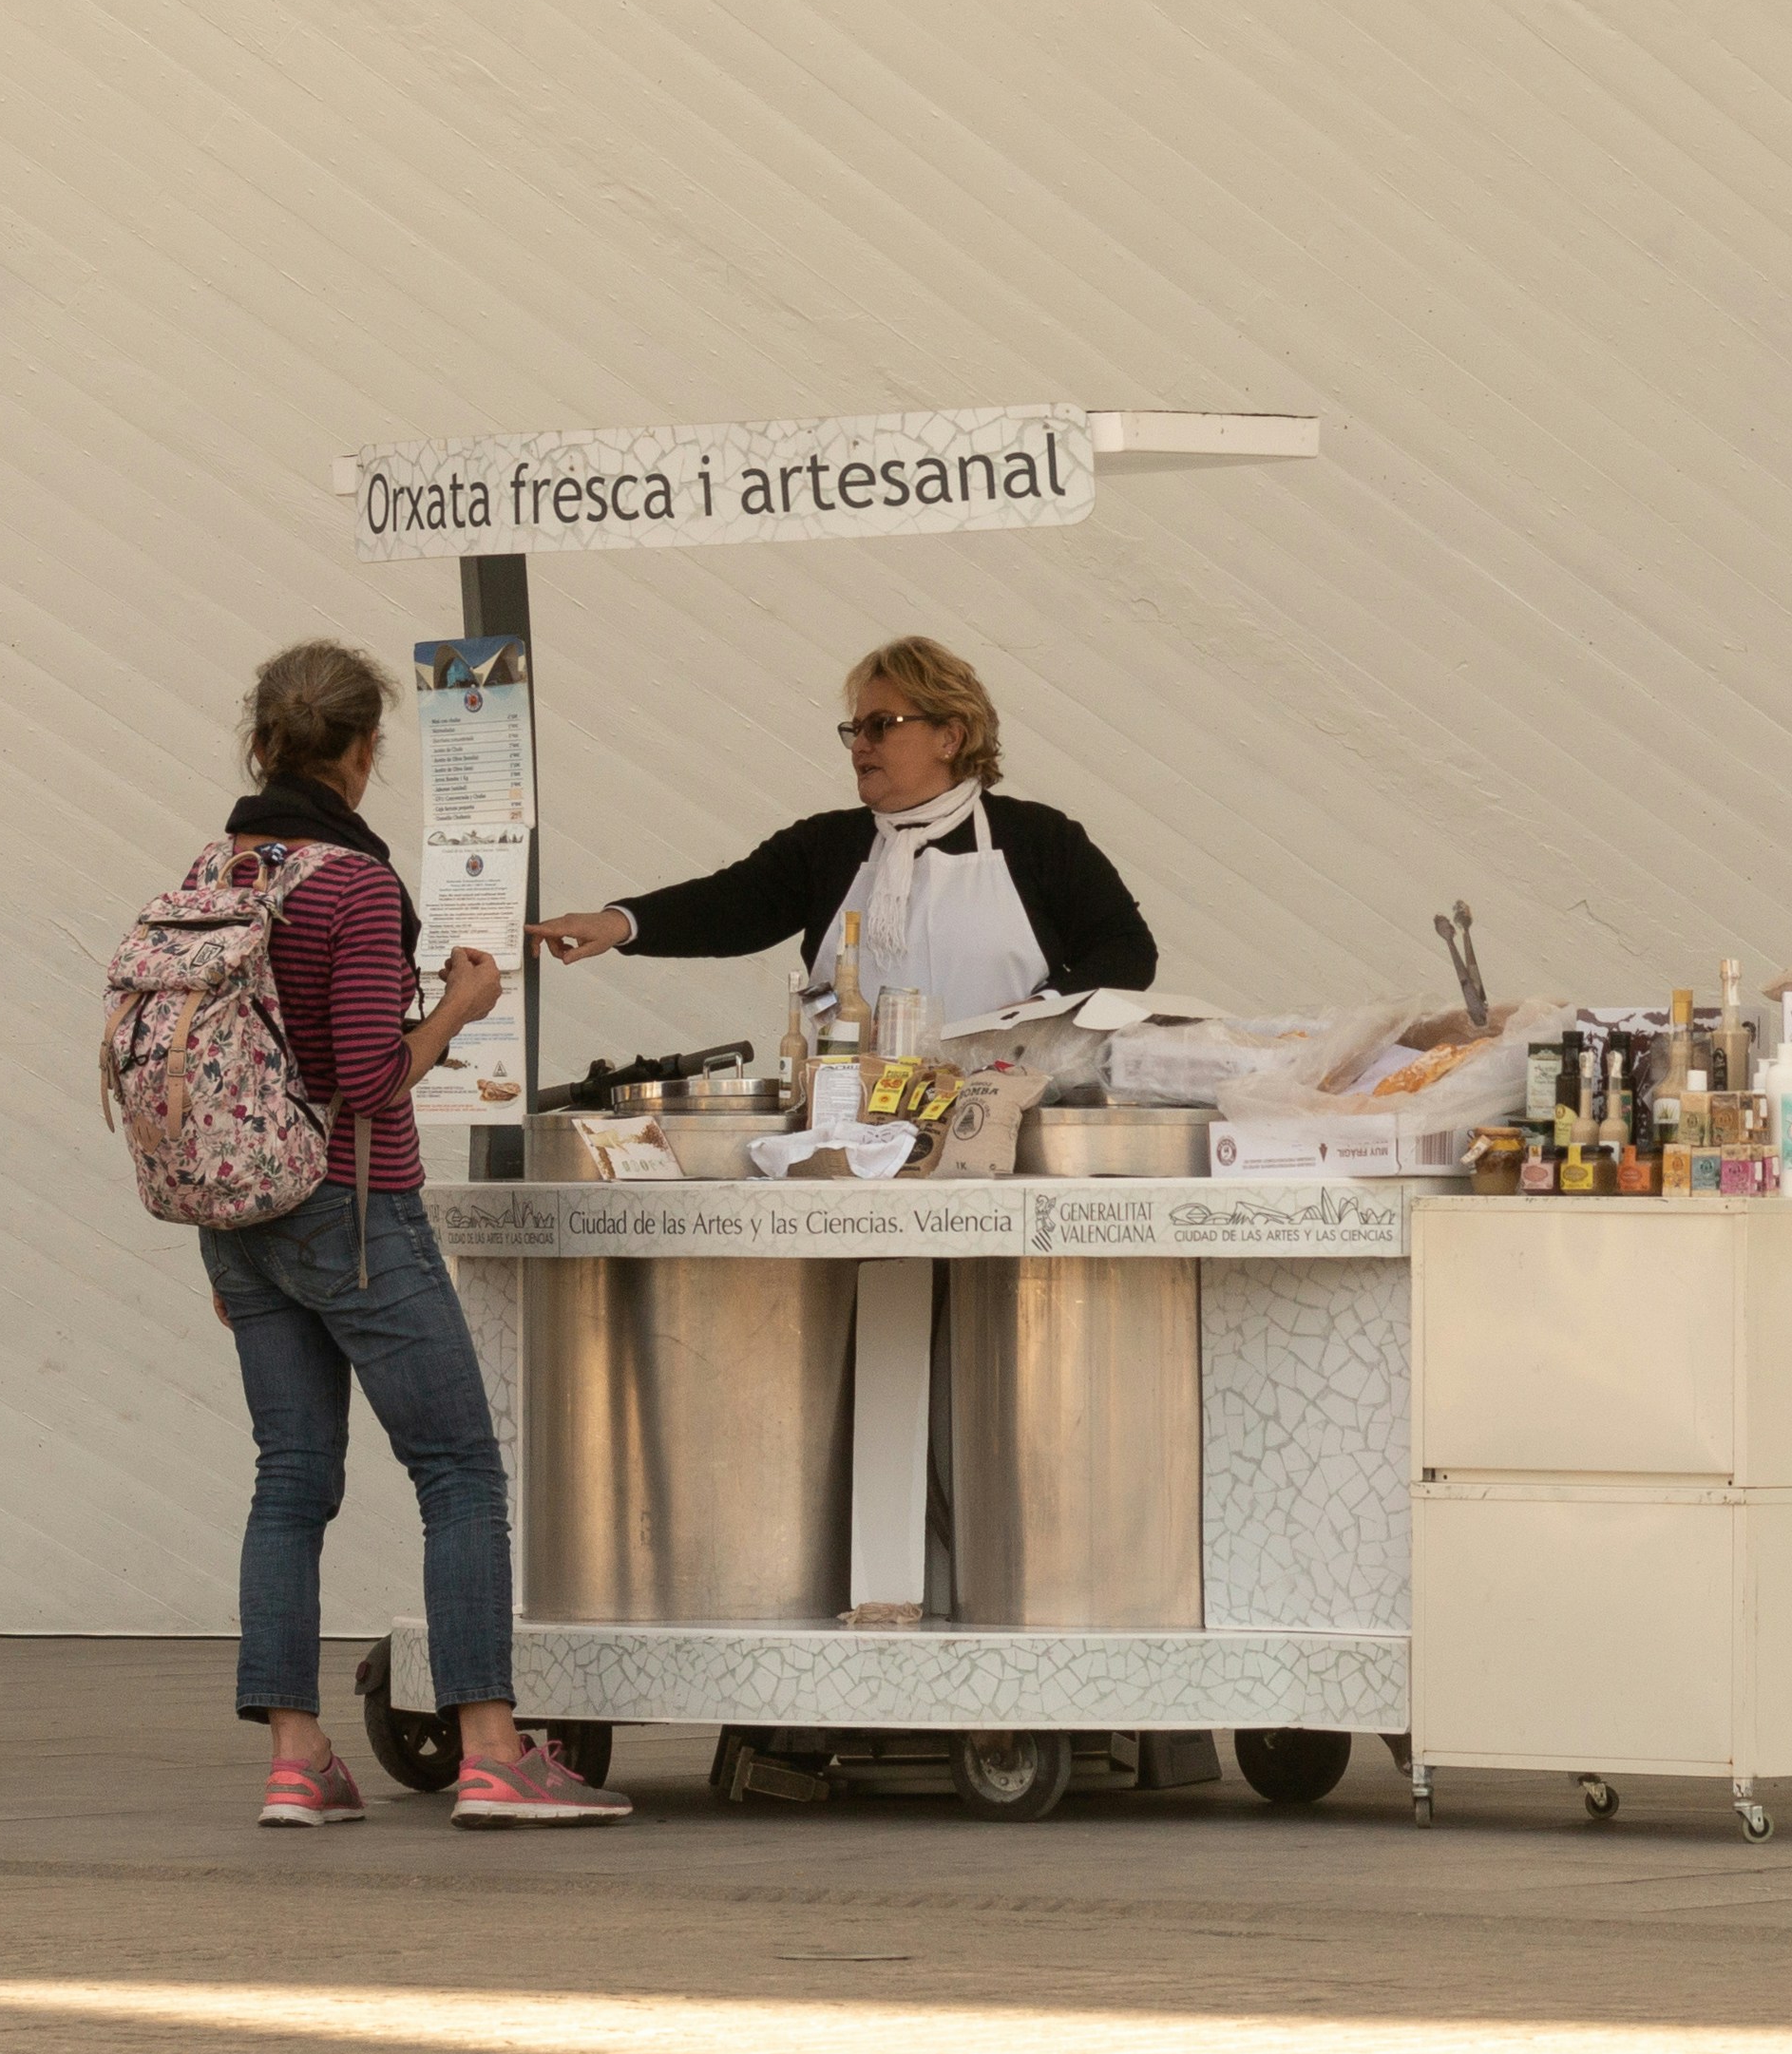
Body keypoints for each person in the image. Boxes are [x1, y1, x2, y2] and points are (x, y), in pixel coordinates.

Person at [203, 639, 628, 1833]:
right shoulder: (351, 885)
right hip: (351, 1210)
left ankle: (297, 1761)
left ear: (259, 742)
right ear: (363, 751)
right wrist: (460, 1005)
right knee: (459, 1474)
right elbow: (364, 1075)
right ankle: (493, 1752)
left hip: (239, 1217)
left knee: (290, 1481)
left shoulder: (220, 868)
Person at [529, 634, 1154, 1031]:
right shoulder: (827, 846)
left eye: (882, 725)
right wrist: (619, 923)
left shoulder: (1037, 839)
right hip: (853, 1119)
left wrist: (1038, 1014)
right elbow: (730, 906)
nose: (860, 745)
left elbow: (1126, 951)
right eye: (854, 729)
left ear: (950, 734)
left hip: (1002, 1117)